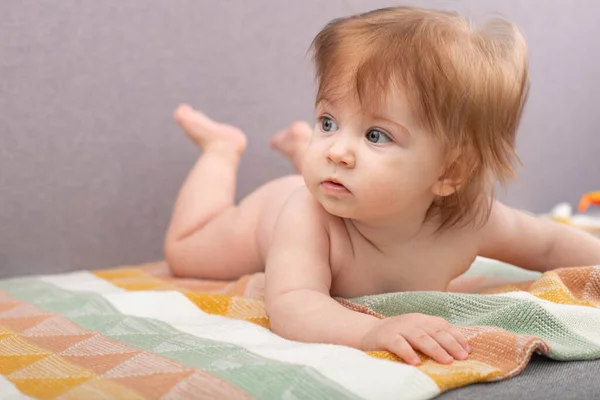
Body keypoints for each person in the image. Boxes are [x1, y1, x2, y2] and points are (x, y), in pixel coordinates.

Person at [163, 6, 600, 366]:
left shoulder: (469, 219)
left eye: (376, 135)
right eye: (327, 123)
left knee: (335, 171)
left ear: (450, 173)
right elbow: (293, 304)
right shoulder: (307, 214)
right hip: (268, 211)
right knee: (185, 251)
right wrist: (373, 329)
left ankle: (299, 147)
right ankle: (221, 149)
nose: (337, 150)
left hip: (339, 187)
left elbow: (548, 245)